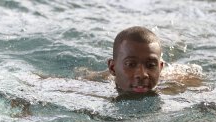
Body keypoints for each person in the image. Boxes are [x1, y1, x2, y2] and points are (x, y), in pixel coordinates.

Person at [75, 26, 203, 95]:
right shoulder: (93, 86)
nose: (142, 74)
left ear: (160, 68)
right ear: (113, 68)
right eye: (131, 64)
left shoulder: (175, 83)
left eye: (151, 65)